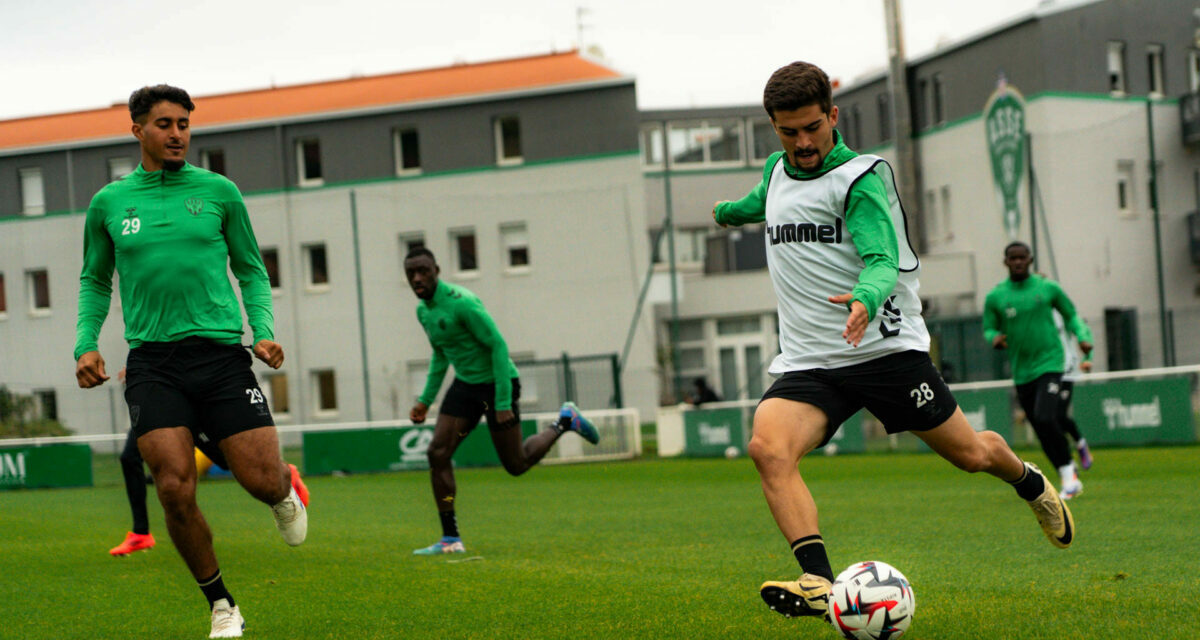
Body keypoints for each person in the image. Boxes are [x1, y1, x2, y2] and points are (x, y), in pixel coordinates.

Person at [711, 61, 1074, 626]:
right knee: (768, 448)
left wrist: (864, 298)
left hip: (885, 351)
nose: (803, 143)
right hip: (813, 362)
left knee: (971, 455)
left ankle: (1030, 482)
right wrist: (727, 214)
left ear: (832, 116)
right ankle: (816, 581)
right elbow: (763, 198)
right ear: (774, 128)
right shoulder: (779, 169)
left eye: (812, 127)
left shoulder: (859, 180)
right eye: (789, 131)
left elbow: (881, 258)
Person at [75, 84, 308, 639]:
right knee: (174, 487)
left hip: (222, 357)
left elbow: (252, 269)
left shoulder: (220, 192)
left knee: (258, 481)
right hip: (154, 362)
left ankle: (283, 488)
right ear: (138, 131)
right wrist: (86, 344)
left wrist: (264, 334)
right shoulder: (109, 204)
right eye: (164, 124)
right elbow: (94, 279)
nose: (177, 133)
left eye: (184, 123)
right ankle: (222, 605)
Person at [403, 247, 600, 555]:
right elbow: (441, 353)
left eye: (423, 271)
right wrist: (425, 400)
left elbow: (498, 346)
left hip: (497, 383)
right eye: (411, 273)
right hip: (466, 386)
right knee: (437, 453)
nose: (417, 278)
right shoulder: (423, 311)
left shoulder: (462, 303)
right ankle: (450, 539)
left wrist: (503, 400)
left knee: (516, 464)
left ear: (436, 270)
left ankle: (564, 421)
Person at [108, 373, 310, 559]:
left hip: (190, 387)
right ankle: (141, 533)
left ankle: (282, 472)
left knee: (225, 460)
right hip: (157, 391)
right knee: (129, 457)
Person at [984, 243, 1093, 498]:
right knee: (1040, 426)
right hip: (1022, 370)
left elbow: (1071, 315)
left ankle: (1069, 476)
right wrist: (995, 338)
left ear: (1030, 259)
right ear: (1006, 262)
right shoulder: (996, 296)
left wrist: (1083, 336)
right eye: (1013, 258)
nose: (1018, 262)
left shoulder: (1047, 288)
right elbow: (988, 327)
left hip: (1051, 363)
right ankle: (1067, 469)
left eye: (1023, 258)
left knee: (1046, 417)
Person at [1055, 309, 1094, 470]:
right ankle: (1068, 461)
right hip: (1044, 371)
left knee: (1059, 415)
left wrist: (1087, 358)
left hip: (1066, 371)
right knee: (1049, 421)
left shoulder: (1060, 312)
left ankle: (1080, 444)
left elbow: (1083, 329)